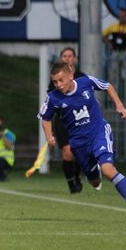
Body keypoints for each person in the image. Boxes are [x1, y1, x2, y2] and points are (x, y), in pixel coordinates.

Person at [40, 62, 126, 222]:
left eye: (61, 80)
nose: (58, 85)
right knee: (94, 182)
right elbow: (45, 118)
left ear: (71, 76)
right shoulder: (53, 98)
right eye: (55, 82)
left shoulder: (86, 82)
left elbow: (107, 86)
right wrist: (49, 136)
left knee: (108, 170)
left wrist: (119, 106)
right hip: (78, 143)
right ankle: (94, 170)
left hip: (98, 133)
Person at [47, 47, 86, 193]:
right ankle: (71, 182)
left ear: (75, 59)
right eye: (64, 56)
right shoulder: (55, 80)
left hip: (79, 119)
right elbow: (51, 99)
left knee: (80, 151)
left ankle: (77, 175)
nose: (67, 58)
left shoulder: (82, 77)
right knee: (67, 151)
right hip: (63, 120)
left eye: (70, 56)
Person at [103, 8, 126, 91]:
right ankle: (113, 95)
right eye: (120, 16)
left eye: (124, 16)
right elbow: (103, 35)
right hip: (115, 52)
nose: (122, 18)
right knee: (113, 74)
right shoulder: (113, 27)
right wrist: (109, 44)